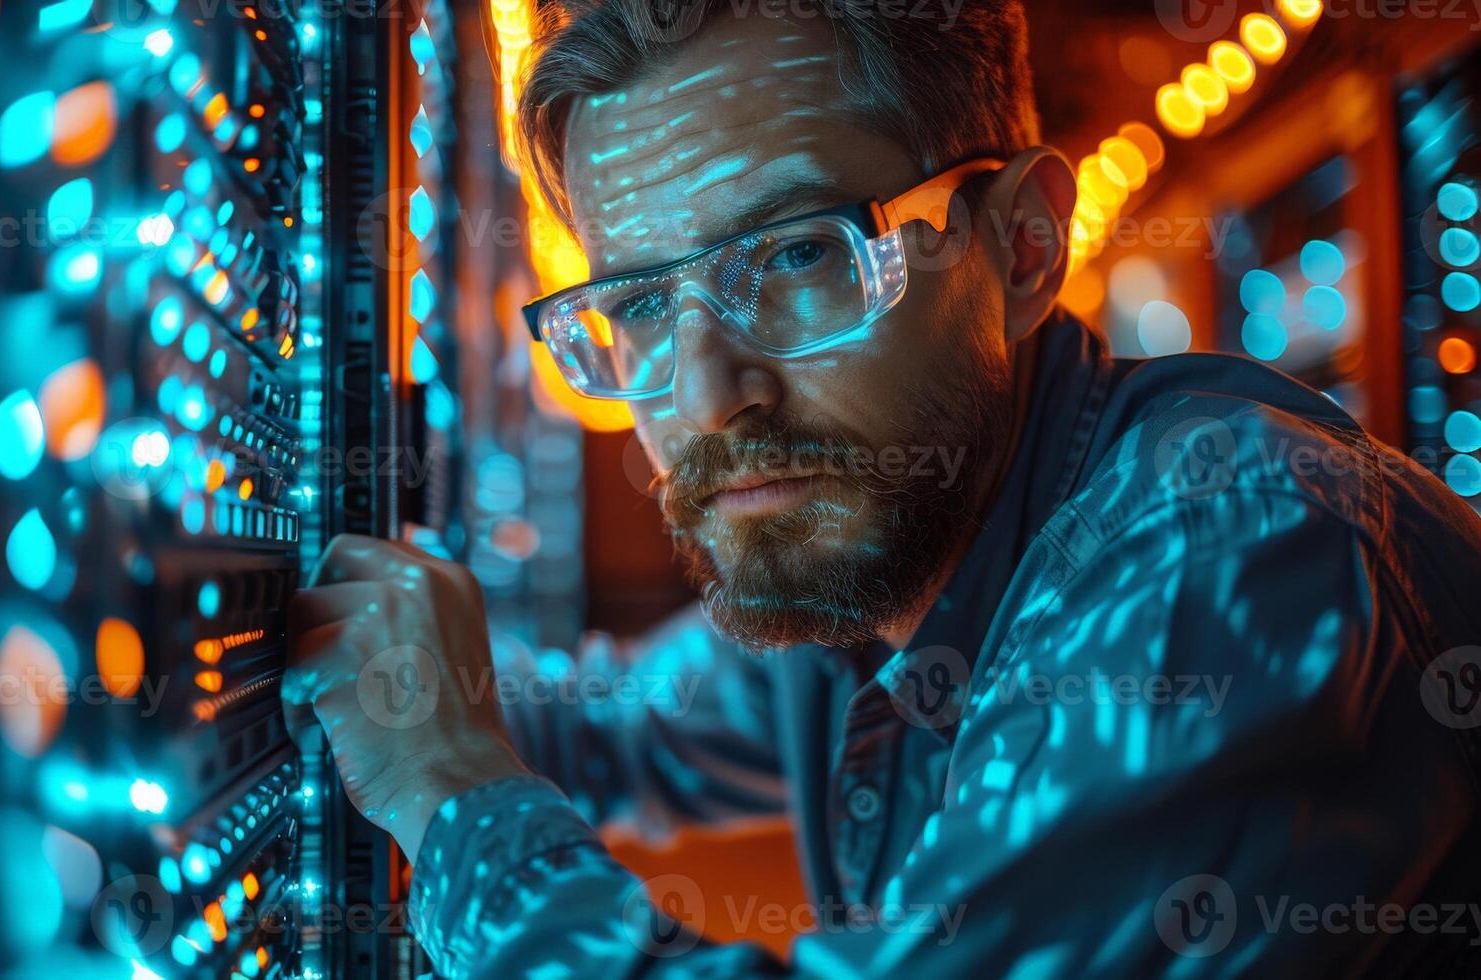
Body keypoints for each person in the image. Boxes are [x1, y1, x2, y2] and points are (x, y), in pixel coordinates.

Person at [283, 1, 1481, 975]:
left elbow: (486, 756)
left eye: (800, 253)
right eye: (639, 301)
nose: (708, 397)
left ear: (1023, 246)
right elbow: (606, 723)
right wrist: (316, 649)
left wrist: (455, 794)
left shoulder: (1232, 543)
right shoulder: (874, 551)